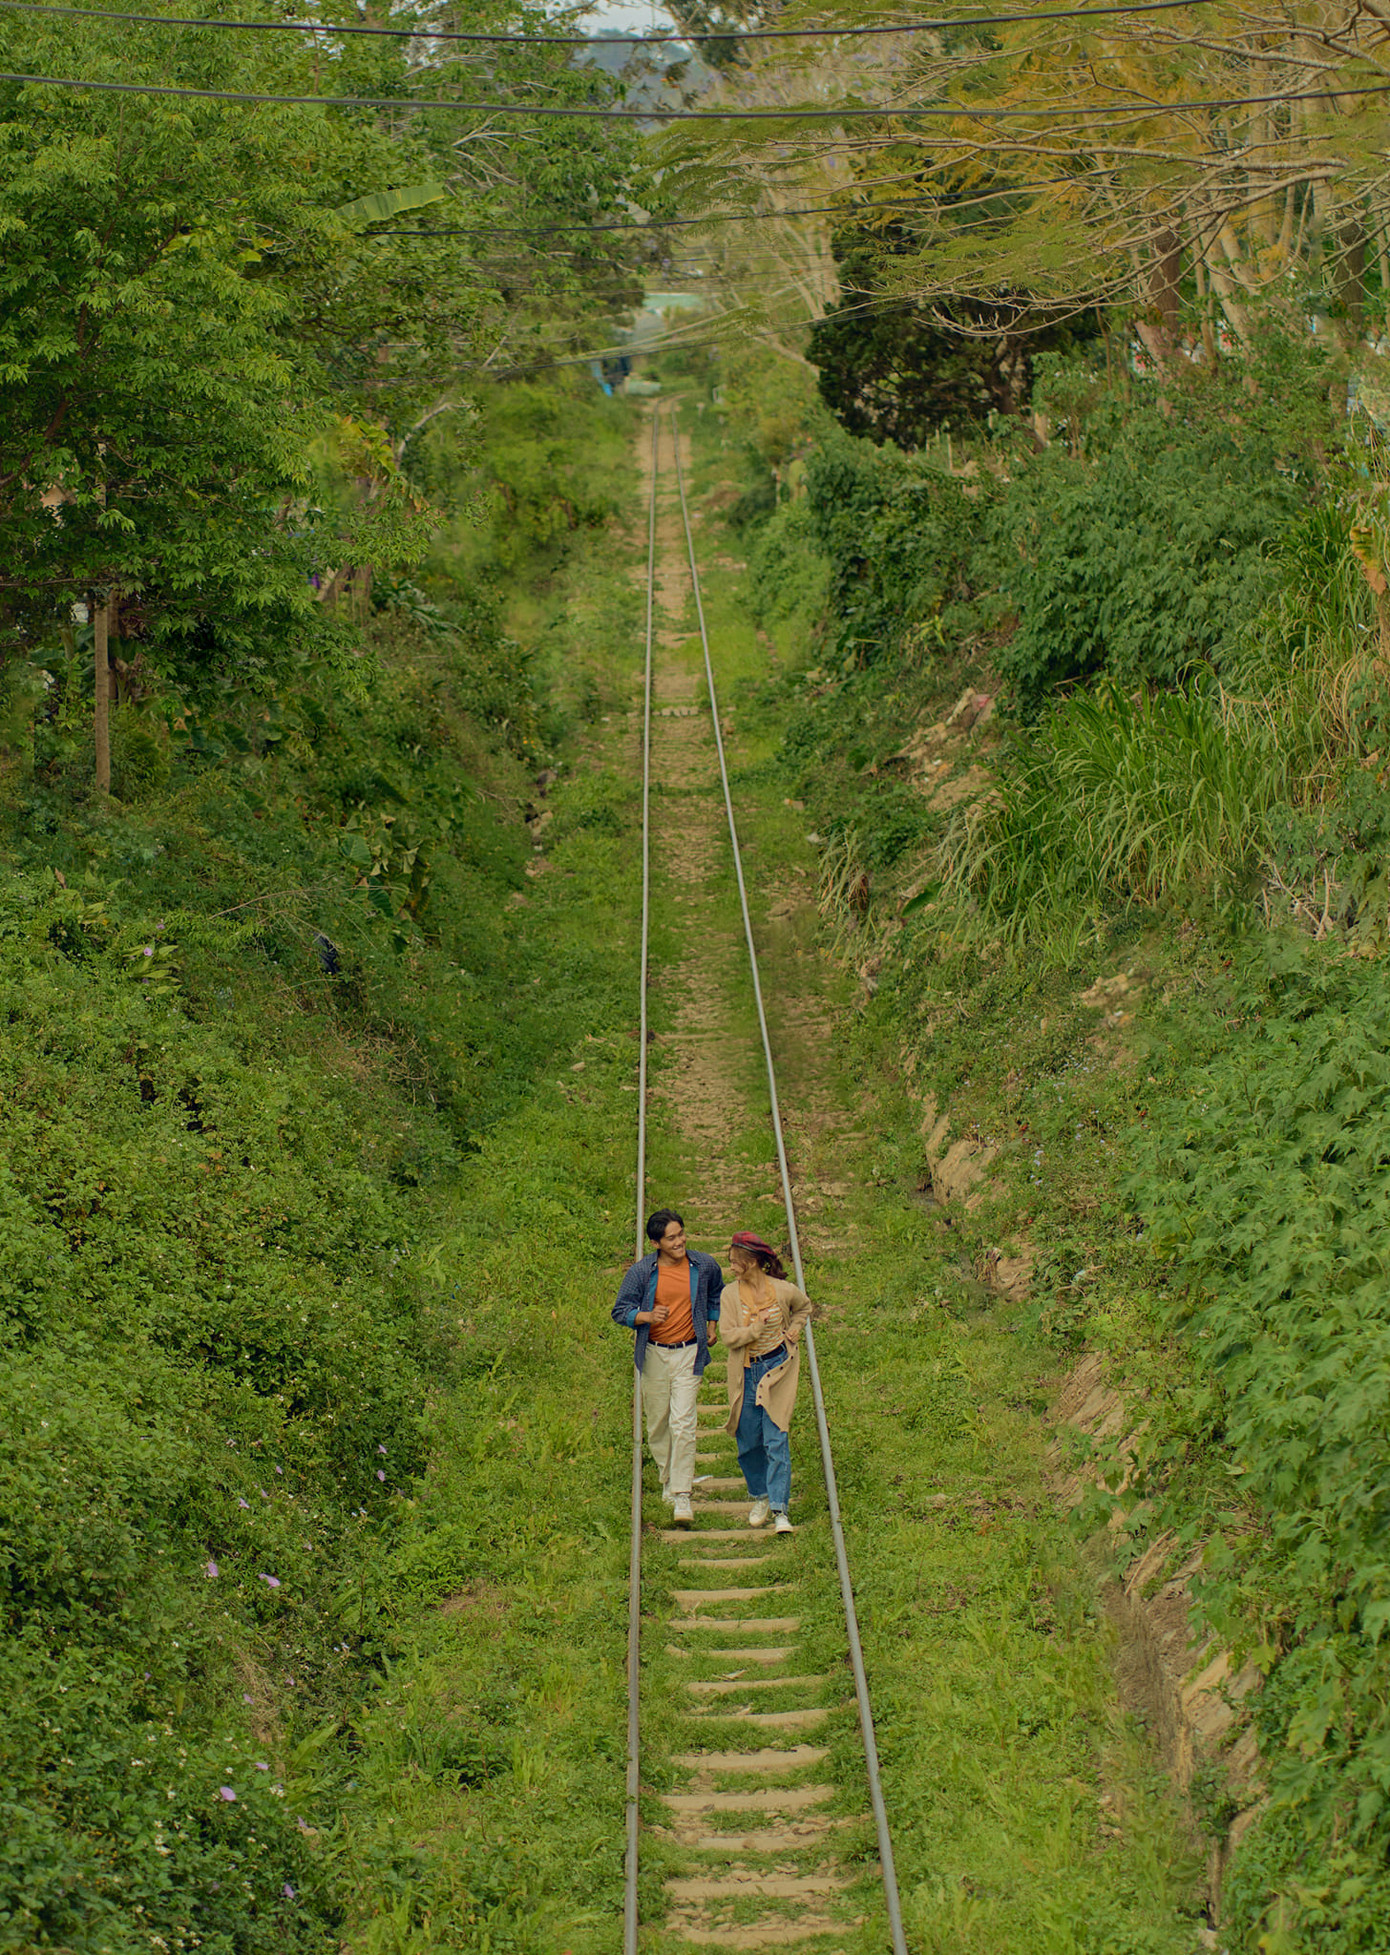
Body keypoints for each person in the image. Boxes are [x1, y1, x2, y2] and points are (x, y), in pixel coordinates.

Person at [611, 1210, 724, 1528]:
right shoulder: (642, 1272)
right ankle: (667, 1481)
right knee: (658, 1425)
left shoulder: (703, 1265)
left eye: (681, 1234)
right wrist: (645, 1316)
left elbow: (716, 1291)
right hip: (654, 1355)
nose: (680, 1241)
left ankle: (682, 1493)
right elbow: (620, 1310)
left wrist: (712, 1324)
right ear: (656, 1243)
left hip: (689, 1352)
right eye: (672, 1238)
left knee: (684, 1423)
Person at [720, 1231, 812, 1535]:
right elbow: (728, 1336)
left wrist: (795, 1328)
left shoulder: (783, 1290)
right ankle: (759, 1494)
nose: (732, 1267)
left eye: (737, 1262)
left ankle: (779, 1509)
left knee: (777, 1438)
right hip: (746, 1373)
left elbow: (804, 1307)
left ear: (754, 1262)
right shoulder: (730, 1295)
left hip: (777, 1370)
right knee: (748, 1441)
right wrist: (753, 1331)